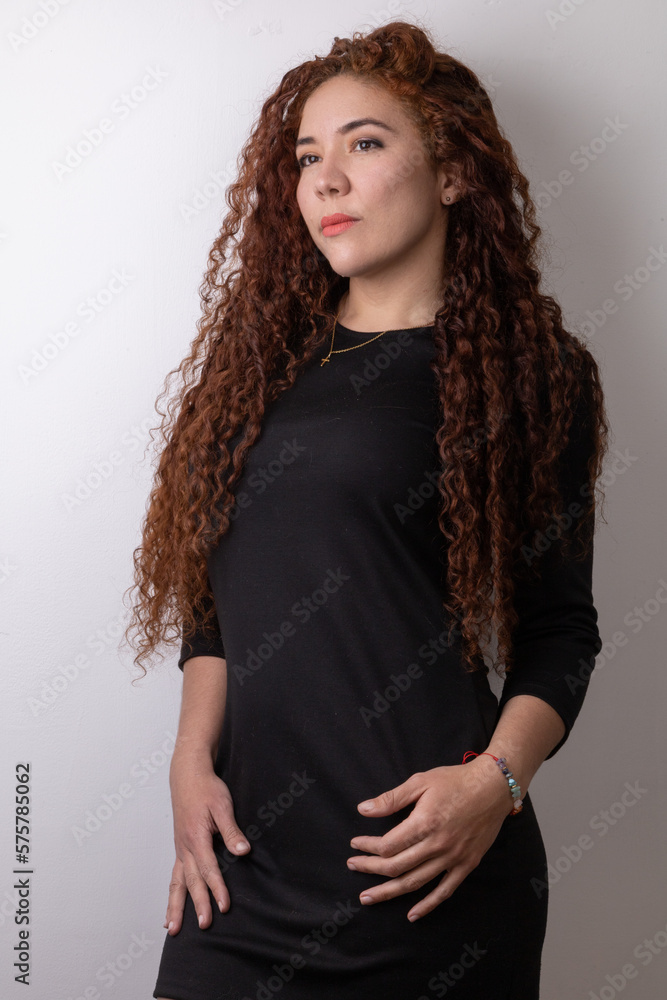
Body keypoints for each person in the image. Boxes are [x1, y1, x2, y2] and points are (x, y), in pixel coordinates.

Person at [123, 18, 609, 1000]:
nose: (326, 180)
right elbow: (215, 606)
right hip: (242, 869)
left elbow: (560, 628)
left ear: (454, 172)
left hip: (427, 872)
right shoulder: (254, 370)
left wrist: (493, 783)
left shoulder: (526, 373)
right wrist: (188, 760)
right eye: (308, 156)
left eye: (365, 143)